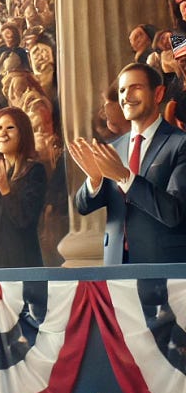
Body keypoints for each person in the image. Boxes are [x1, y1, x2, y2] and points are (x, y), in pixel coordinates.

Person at [70, 63, 186, 264]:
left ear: (158, 94)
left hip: (164, 266)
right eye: (122, 90)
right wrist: (94, 179)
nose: (126, 96)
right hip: (116, 265)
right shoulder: (113, 148)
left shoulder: (180, 143)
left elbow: (175, 212)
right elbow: (83, 206)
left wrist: (126, 177)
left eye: (136, 88)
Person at [0, 107, 47, 267]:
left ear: (23, 133)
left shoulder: (35, 171)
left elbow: (25, 220)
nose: (2, 133)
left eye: (10, 128)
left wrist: (5, 190)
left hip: (22, 262)